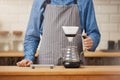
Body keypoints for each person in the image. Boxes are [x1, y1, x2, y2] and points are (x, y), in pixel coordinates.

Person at [17, 0, 101, 67]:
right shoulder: (40, 1)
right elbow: (32, 36)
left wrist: (92, 41)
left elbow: (94, 33)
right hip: (47, 66)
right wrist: (28, 57)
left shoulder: (85, 1)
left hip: (75, 64)